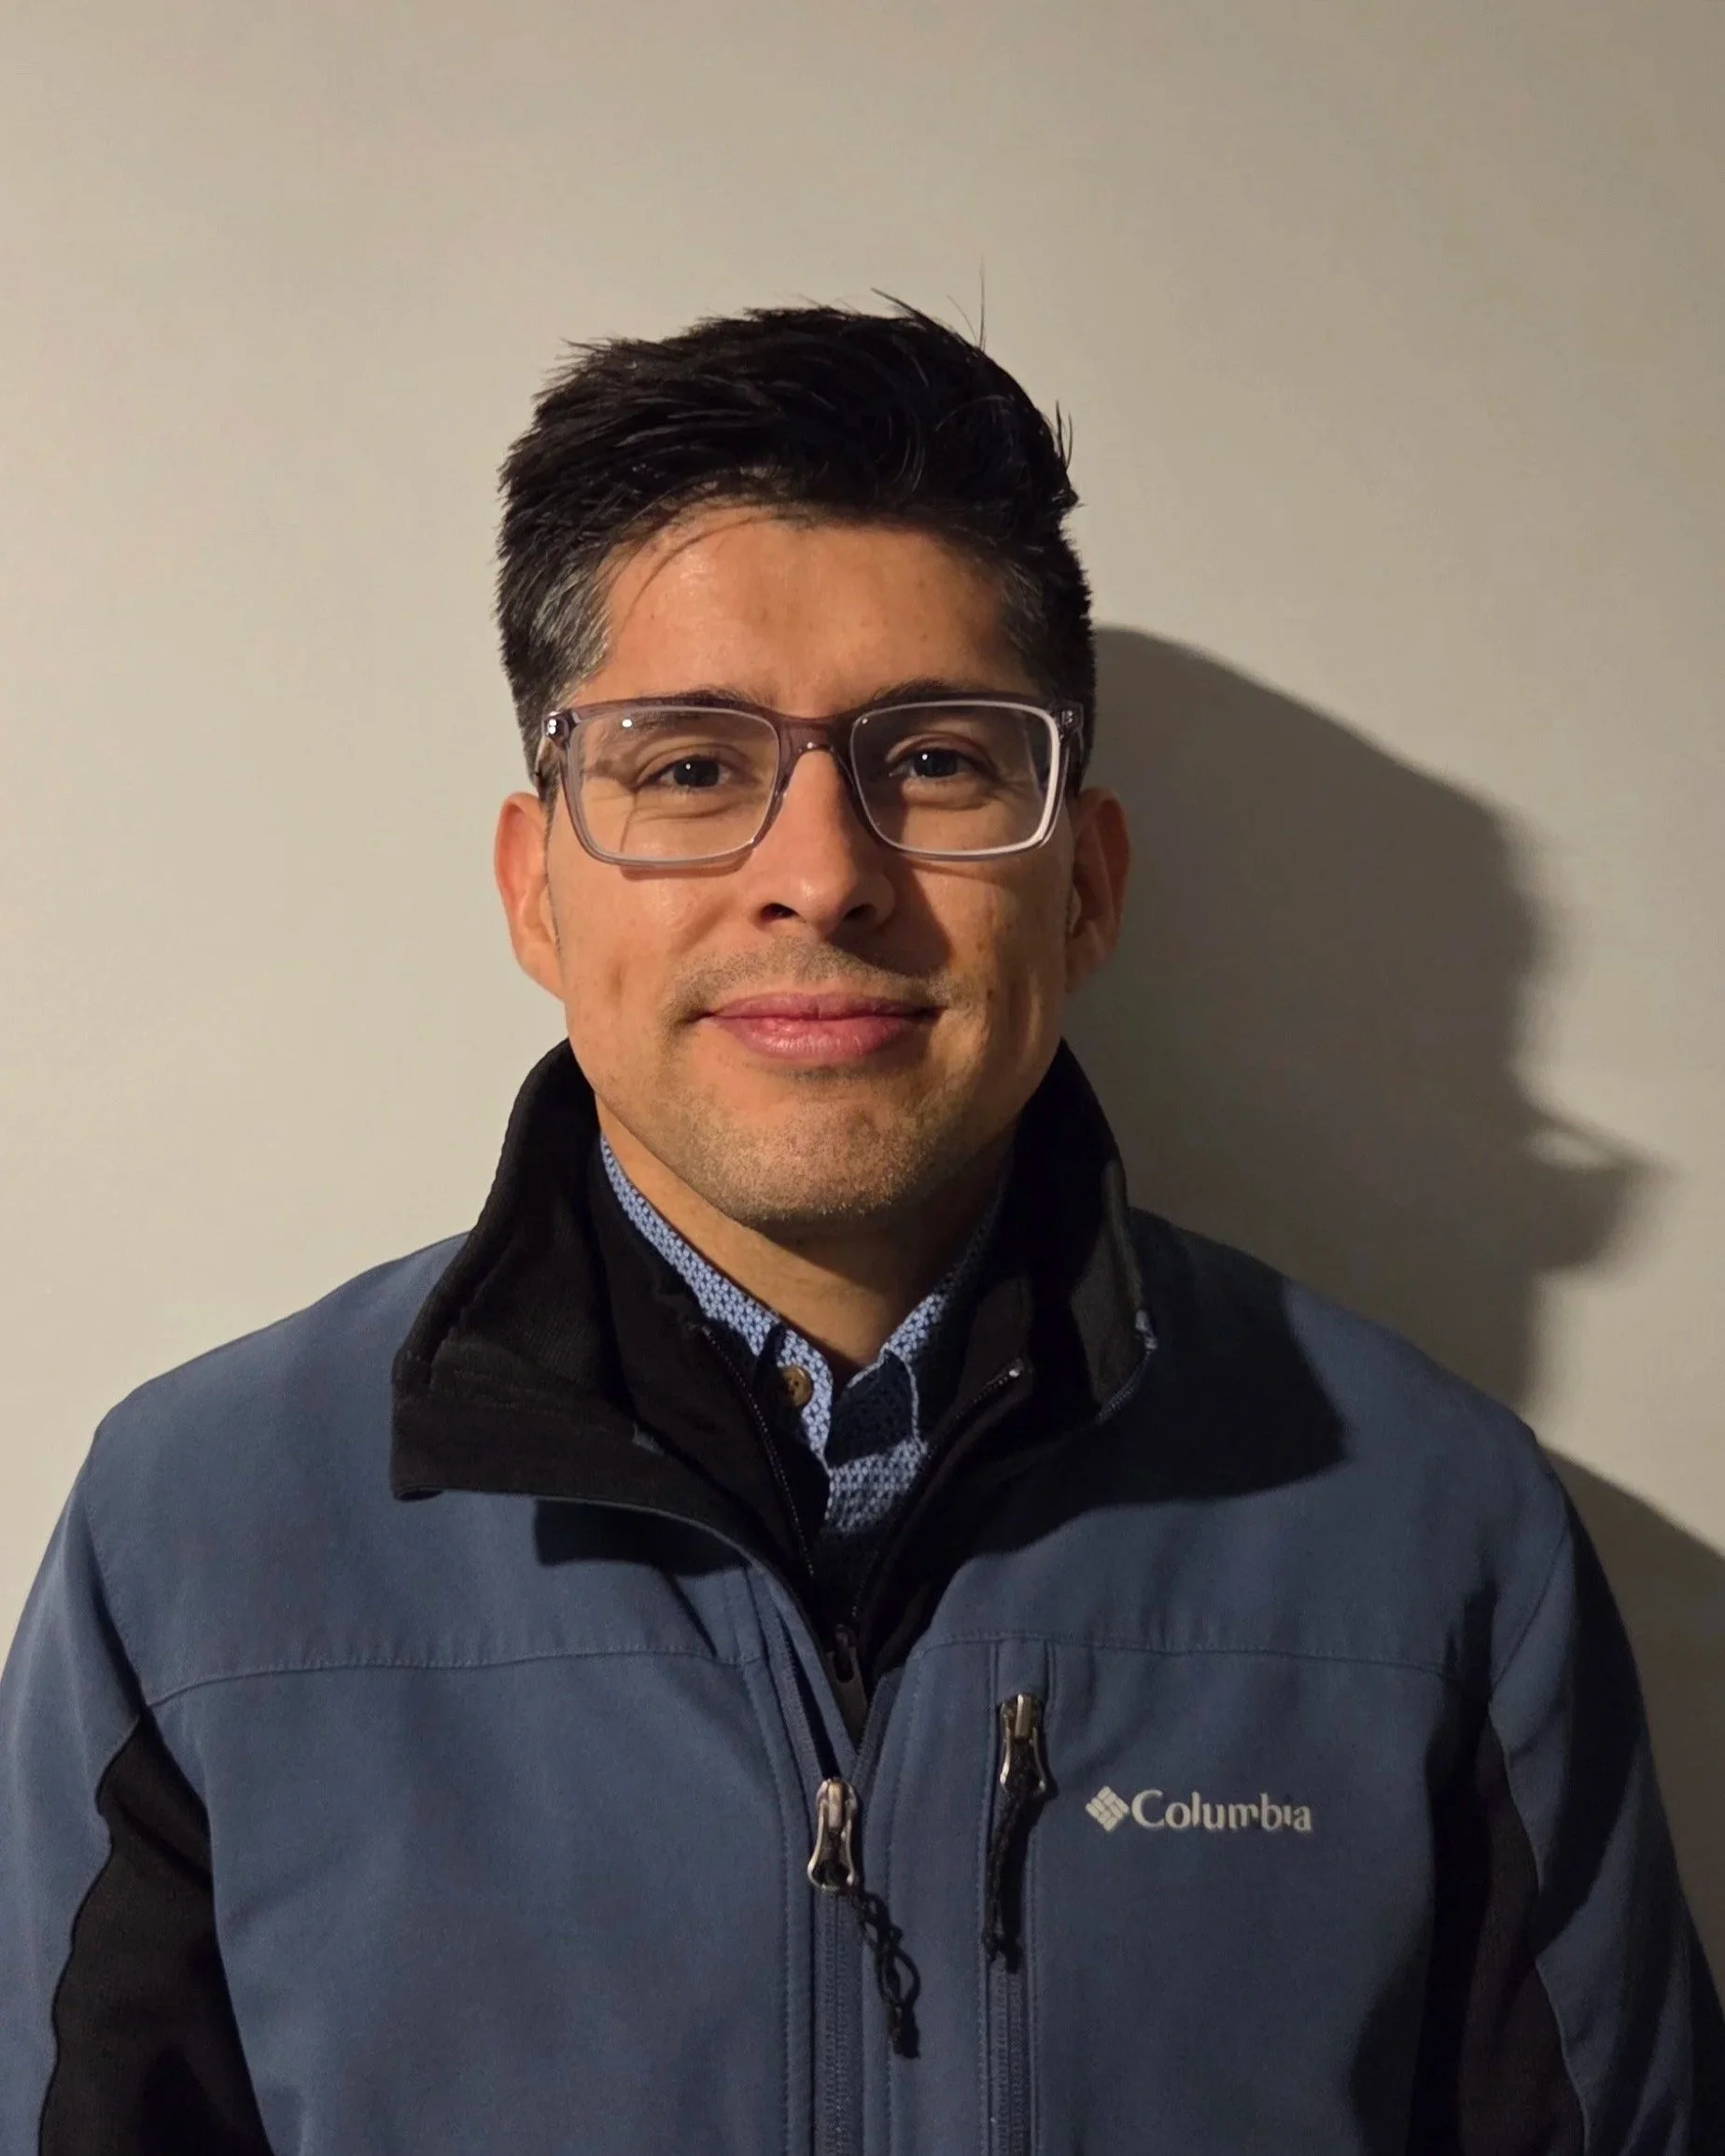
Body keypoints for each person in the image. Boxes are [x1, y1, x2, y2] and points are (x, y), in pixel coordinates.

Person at [2, 302, 1718, 2156]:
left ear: (1087, 886)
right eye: (689, 767)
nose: (822, 876)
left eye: (941, 761)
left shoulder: (1433, 1534)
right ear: (536, 889)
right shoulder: (202, 1540)